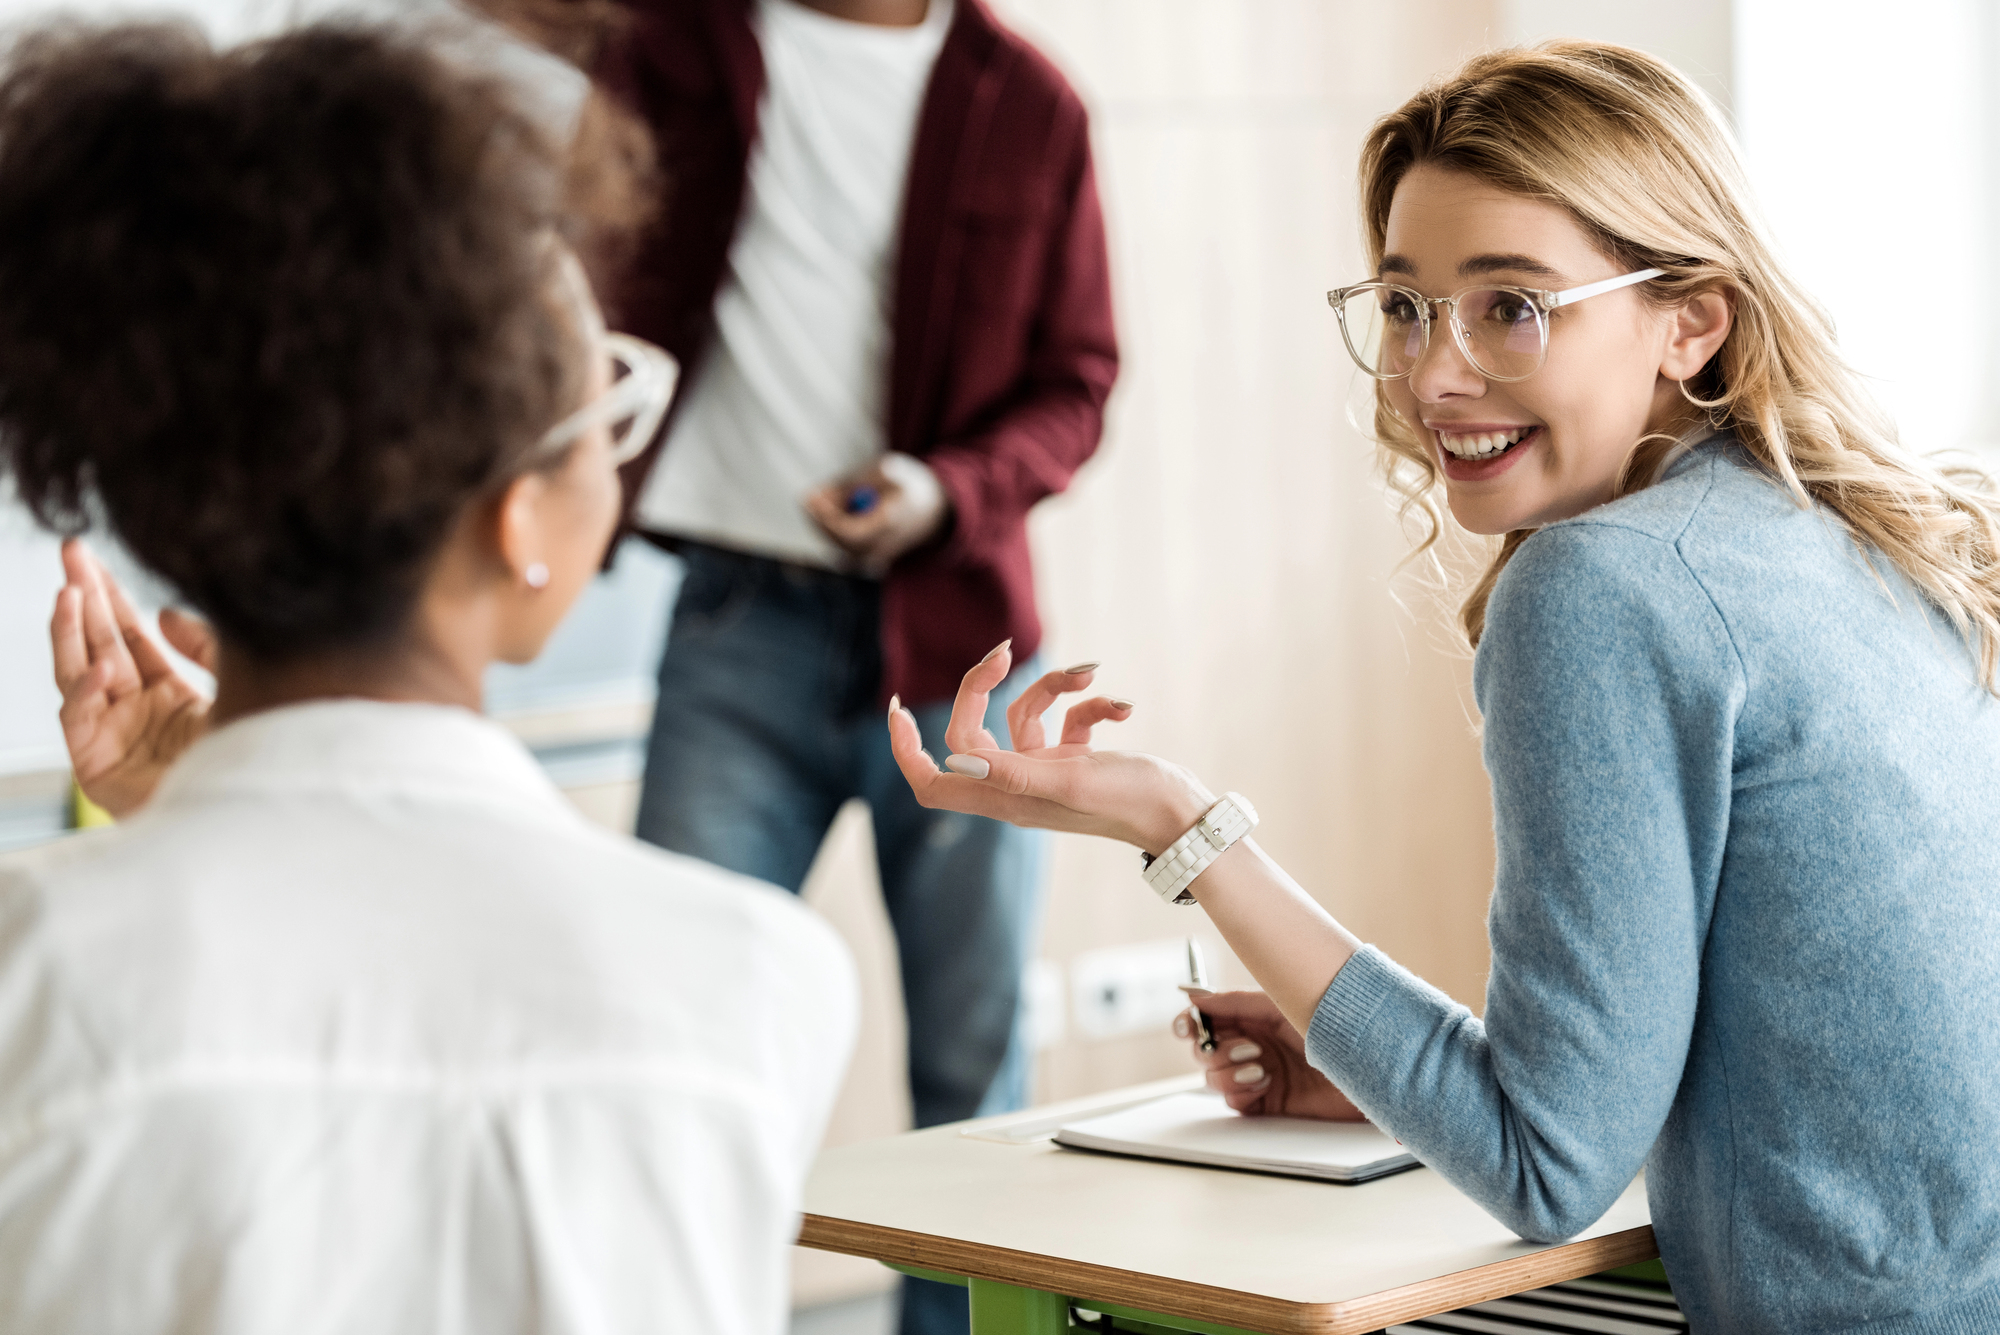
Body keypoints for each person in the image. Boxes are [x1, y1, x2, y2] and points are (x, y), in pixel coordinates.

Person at [886, 40, 2000, 1334]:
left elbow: (1547, 1166)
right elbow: (1744, 1062)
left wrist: (1178, 827)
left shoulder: (1603, 589)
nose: (1430, 374)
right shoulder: (1852, 533)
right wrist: (1374, 1065)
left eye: (1509, 306)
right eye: (1406, 306)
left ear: (1692, 319)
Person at [0, 21, 852, 1334]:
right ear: (516, 518)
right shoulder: (753, 982)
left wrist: (177, 825)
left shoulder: (32, 972)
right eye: (604, 406)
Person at [559, 3, 1118, 1328]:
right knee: (671, 1040)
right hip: (732, 631)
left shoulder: (1031, 102)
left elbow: (1079, 380)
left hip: (956, 642)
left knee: (972, 1075)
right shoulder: (672, 48)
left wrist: (940, 488)